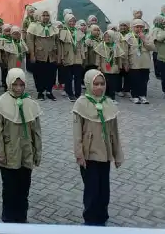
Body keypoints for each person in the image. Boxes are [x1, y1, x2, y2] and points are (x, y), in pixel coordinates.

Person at [73, 69, 124, 227]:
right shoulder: (81, 104)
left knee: (104, 188)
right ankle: (90, 218)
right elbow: (77, 132)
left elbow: (114, 132)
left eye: (102, 84)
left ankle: (102, 216)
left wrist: (117, 155)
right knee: (92, 189)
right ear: (88, 84)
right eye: (96, 84)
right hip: (89, 154)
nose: (99, 87)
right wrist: (79, 153)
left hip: (105, 153)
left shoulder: (108, 103)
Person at [0, 68, 42, 223]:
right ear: (9, 84)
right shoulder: (1, 104)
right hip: (9, 154)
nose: (18, 88)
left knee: (24, 188)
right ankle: (8, 218)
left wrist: (37, 152)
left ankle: (22, 218)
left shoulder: (30, 104)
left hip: (26, 153)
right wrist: (0, 153)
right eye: (15, 85)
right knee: (9, 189)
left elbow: (37, 132)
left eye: (21, 85)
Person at [26, 10, 59, 101]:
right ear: (39, 16)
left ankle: (49, 91)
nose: (45, 17)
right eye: (43, 15)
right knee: (39, 74)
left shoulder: (53, 27)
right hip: (39, 54)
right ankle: (40, 92)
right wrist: (32, 54)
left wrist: (57, 54)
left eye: (47, 15)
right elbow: (30, 41)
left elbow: (56, 41)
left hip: (51, 55)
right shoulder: (33, 27)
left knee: (51, 74)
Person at [125, 19, 154, 104]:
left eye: (141, 27)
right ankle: (135, 96)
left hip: (144, 62)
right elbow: (125, 51)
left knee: (144, 80)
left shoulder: (147, 36)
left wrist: (144, 39)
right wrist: (125, 63)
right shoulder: (128, 37)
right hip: (134, 62)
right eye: (137, 27)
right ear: (133, 27)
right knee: (135, 79)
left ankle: (143, 95)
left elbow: (152, 47)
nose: (139, 29)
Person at [59, 14, 86, 101]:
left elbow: (82, 45)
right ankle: (70, 93)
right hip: (68, 56)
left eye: (74, 21)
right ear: (66, 21)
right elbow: (61, 46)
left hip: (77, 56)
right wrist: (62, 57)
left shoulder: (78, 31)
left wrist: (83, 56)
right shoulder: (63, 31)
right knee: (68, 77)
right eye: (70, 21)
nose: (72, 23)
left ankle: (78, 93)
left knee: (78, 76)